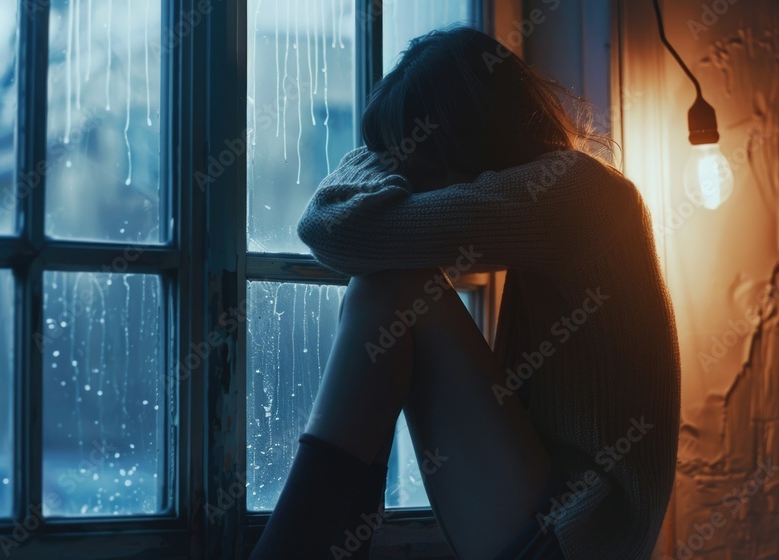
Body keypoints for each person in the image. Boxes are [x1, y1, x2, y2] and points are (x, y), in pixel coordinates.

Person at [249, 26, 679, 560]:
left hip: (577, 533)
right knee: (395, 280)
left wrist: (369, 158)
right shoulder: (568, 190)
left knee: (395, 285)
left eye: (413, 158)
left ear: (462, 134)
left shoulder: (576, 191)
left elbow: (335, 229)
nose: (410, 183)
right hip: (557, 523)